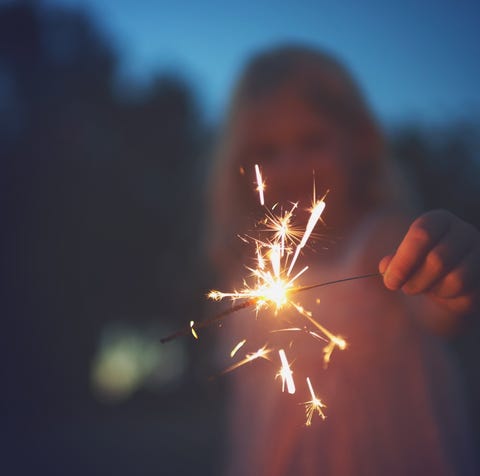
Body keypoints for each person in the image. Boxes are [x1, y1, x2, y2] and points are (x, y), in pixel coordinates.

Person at [207, 45, 479, 476]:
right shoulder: (248, 271)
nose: (292, 166)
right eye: (268, 150)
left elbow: (440, 309)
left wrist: (453, 279)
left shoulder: (383, 240)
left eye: (312, 140)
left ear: (361, 143)